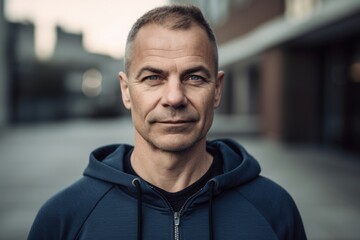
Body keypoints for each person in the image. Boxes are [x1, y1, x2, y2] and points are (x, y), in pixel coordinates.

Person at [28, 4, 307, 240]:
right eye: (153, 78)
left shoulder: (273, 209)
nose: (174, 98)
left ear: (217, 90)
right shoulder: (64, 218)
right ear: (126, 90)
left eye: (194, 77)